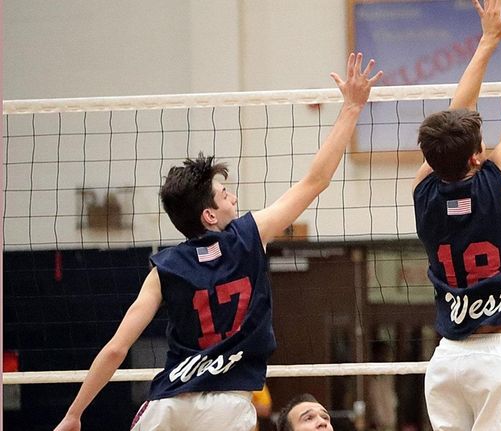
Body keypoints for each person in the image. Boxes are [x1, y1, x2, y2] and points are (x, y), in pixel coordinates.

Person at [52, 53, 382, 431]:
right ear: (209, 215)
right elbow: (315, 180)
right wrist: (352, 108)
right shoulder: (249, 235)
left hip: (168, 405)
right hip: (227, 407)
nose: (234, 198)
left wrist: (74, 414)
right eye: (225, 194)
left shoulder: (165, 267)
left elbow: (115, 349)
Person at [411, 0, 501, 429]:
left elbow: (457, 111)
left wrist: (488, 40)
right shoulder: (499, 179)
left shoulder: (423, 187)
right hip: (500, 359)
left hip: (448, 361)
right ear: (476, 156)